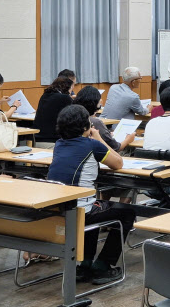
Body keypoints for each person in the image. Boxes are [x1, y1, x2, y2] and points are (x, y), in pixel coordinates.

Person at [47, 105, 135, 285]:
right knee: (127, 212)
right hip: (80, 211)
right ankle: (102, 266)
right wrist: (99, 138)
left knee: (93, 206)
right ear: (84, 127)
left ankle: (84, 264)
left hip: (59, 209)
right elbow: (118, 163)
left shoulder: (59, 144)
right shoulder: (92, 145)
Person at [74, 86, 135, 152]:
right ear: (96, 104)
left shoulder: (73, 118)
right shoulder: (95, 122)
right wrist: (128, 139)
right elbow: (116, 148)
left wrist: (107, 135)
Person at [33, 76, 74, 143]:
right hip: (53, 140)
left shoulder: (44, 96)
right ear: (68, 88)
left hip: (36, 138)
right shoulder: (65, 98)